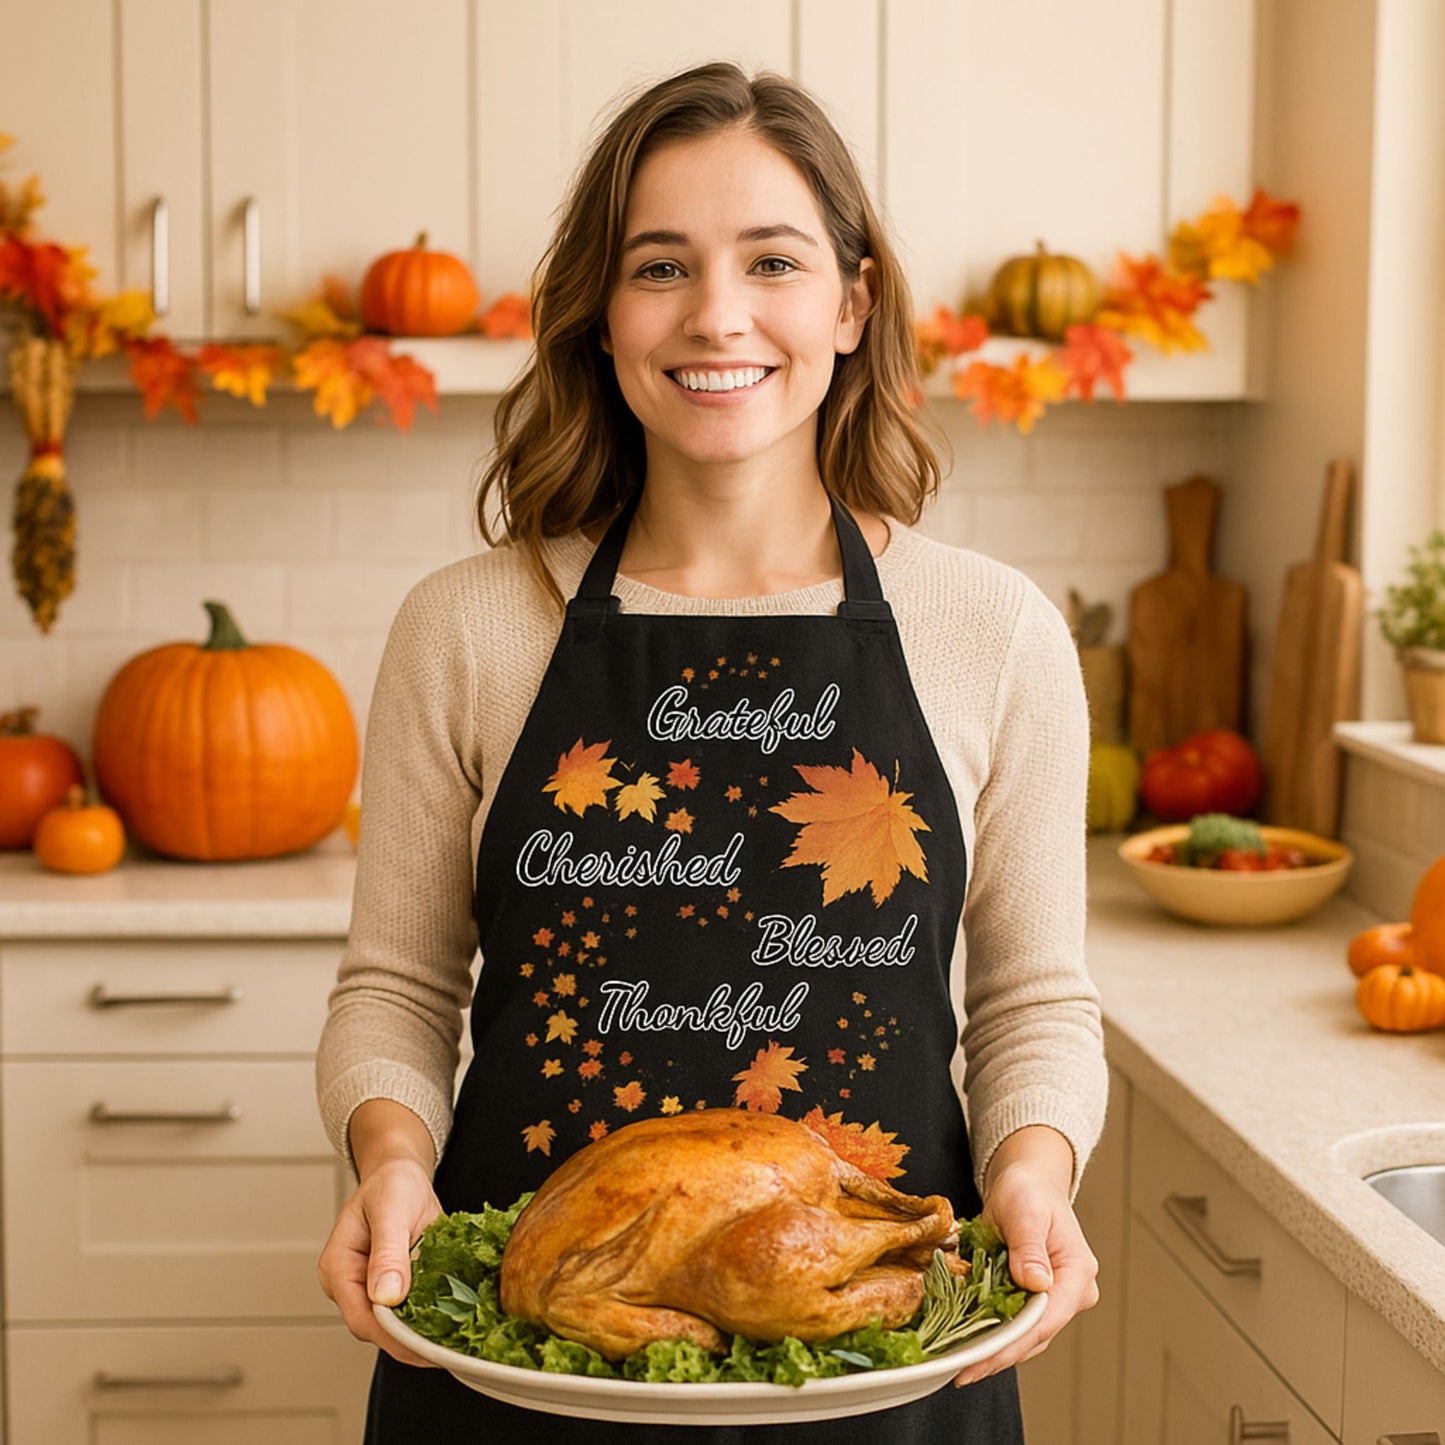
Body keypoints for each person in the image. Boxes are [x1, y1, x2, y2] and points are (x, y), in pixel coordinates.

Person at [316, 59, 1107, 1444]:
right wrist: (388, 1162)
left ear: (851, 304)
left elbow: (1035, 999)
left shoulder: (992, 631)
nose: (717, 316)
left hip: (878, 1356)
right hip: (525, 1363)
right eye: (661, 265)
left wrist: (1033, 1175)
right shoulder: (470, 624)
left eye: (773, 262)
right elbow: (394, 985)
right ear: (602, 315)